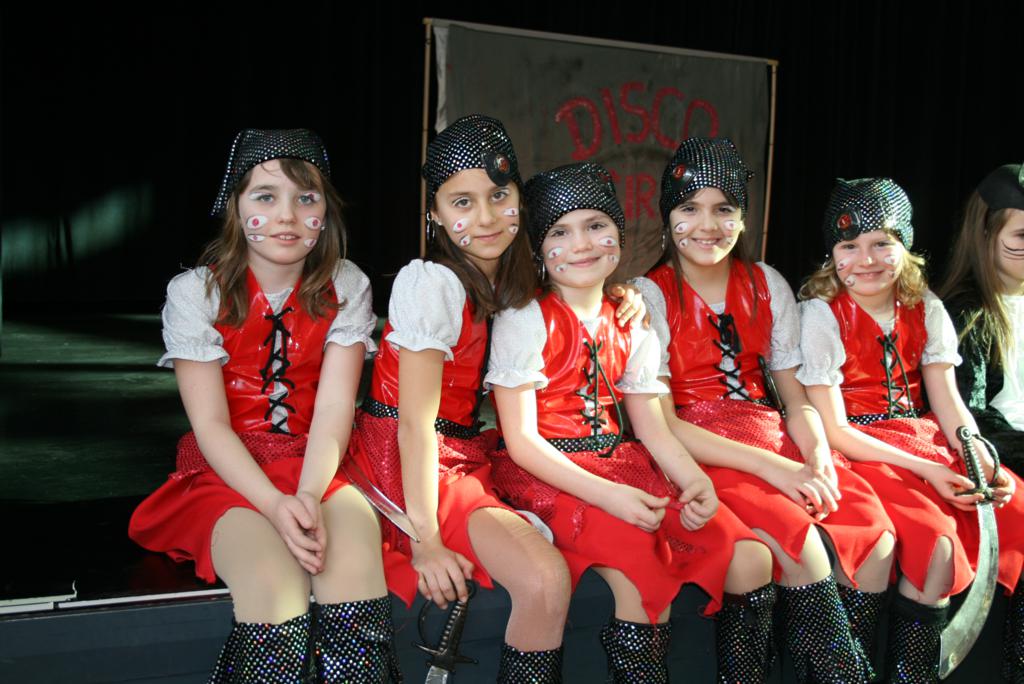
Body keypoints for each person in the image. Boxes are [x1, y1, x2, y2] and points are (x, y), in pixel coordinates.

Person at [486, 161, 775, 683]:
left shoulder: (632, 318)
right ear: (537, 248)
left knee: (750, 555)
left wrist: (695, 480)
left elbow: (652, 426)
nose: (581, 244)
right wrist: (609, 496)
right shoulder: (524, 317)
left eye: (596, 225)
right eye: (559, 232)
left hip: (622, 463)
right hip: (551, 472)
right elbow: (522, 442)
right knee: (644, 573)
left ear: (619, 234)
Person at [129, 129, 397, 682]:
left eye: (306, 198)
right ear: (236, 207)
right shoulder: (196, 292)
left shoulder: (347, 284)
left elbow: (334, 411)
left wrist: (308, 495)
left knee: (353, 581)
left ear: (325, 211)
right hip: (227, 471)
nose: (287, 216)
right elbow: (210, 425)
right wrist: (275, 506)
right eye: (266, 197)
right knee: (275, 587)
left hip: (318, 464)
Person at [636, 138, 896, 683]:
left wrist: (817, 454)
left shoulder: (767, 283)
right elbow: (665, 424)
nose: (708, 225)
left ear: (743, 217)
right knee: (802, 545)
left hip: (771, 433)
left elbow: (796, 400)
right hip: (701, 450)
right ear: (667, 215)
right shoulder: (648, 295)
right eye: (690, 208)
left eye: (724, 209)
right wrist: (777, 469)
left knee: (873, 534)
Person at [345, 115, 581, 681]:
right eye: (461, 202)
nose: (485, 217)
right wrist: (425, 539)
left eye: (498, 196)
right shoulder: (434, 283)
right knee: (545, 578)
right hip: (406, 459)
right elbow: (412, 425)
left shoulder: (512, 282)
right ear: (433, 213)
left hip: (462, 451)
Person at [797, 176, 1024, 681]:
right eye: (849, 246)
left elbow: (949, 404)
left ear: (906, 246)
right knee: (936, 545)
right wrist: (927, 469)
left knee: (1018, 507)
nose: (866, 259)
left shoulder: (928, 309)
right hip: (861, 450)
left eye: (882, 243)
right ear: (831, 253)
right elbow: (834, 429)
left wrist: (978, 453)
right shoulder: (819, 316)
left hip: (924, 439)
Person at [939, 163, 1024, 474]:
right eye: (1022, 235)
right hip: (1002, 457)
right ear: (986, 234)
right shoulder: (965, 314)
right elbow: (972, 415)